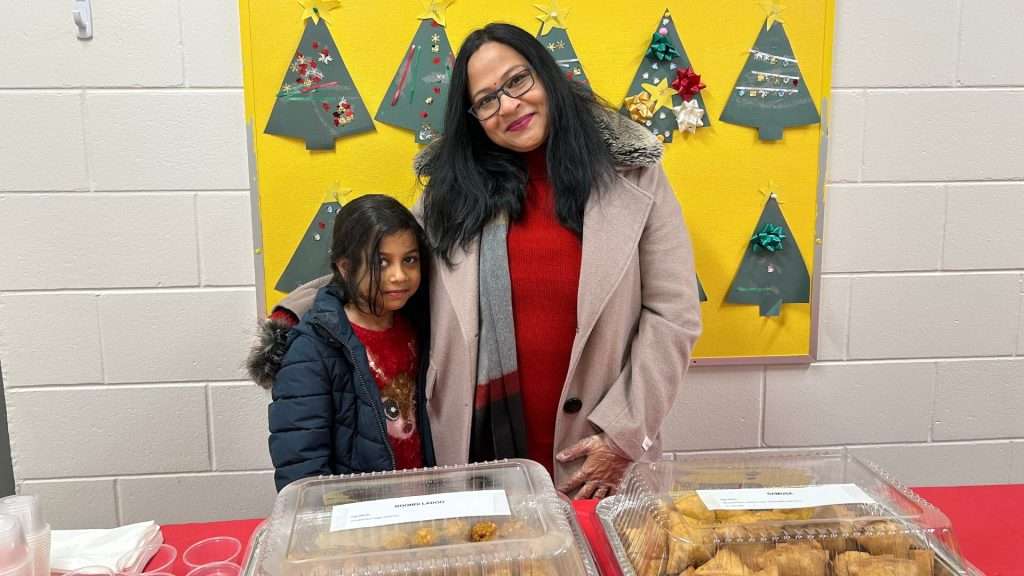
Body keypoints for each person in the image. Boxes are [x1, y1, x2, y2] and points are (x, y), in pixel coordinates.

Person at [252, 23, 701, 499]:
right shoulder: (453, 194)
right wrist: (292, 317)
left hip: (596, 451)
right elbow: (385, 263)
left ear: (547, 77)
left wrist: (623, 434)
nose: (508, 105)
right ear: (475, 118)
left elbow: (673, 314)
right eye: (487, 100)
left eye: (517, 81)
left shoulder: (636, 177)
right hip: (478, 453)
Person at [256, 194, 435, 491]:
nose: (399, 276)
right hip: (358, 518)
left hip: (421, 505)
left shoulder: (420, 327)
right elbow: (302, 465)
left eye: (409, 260)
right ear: (345, 268)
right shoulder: (311, 349)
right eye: (381, 262)